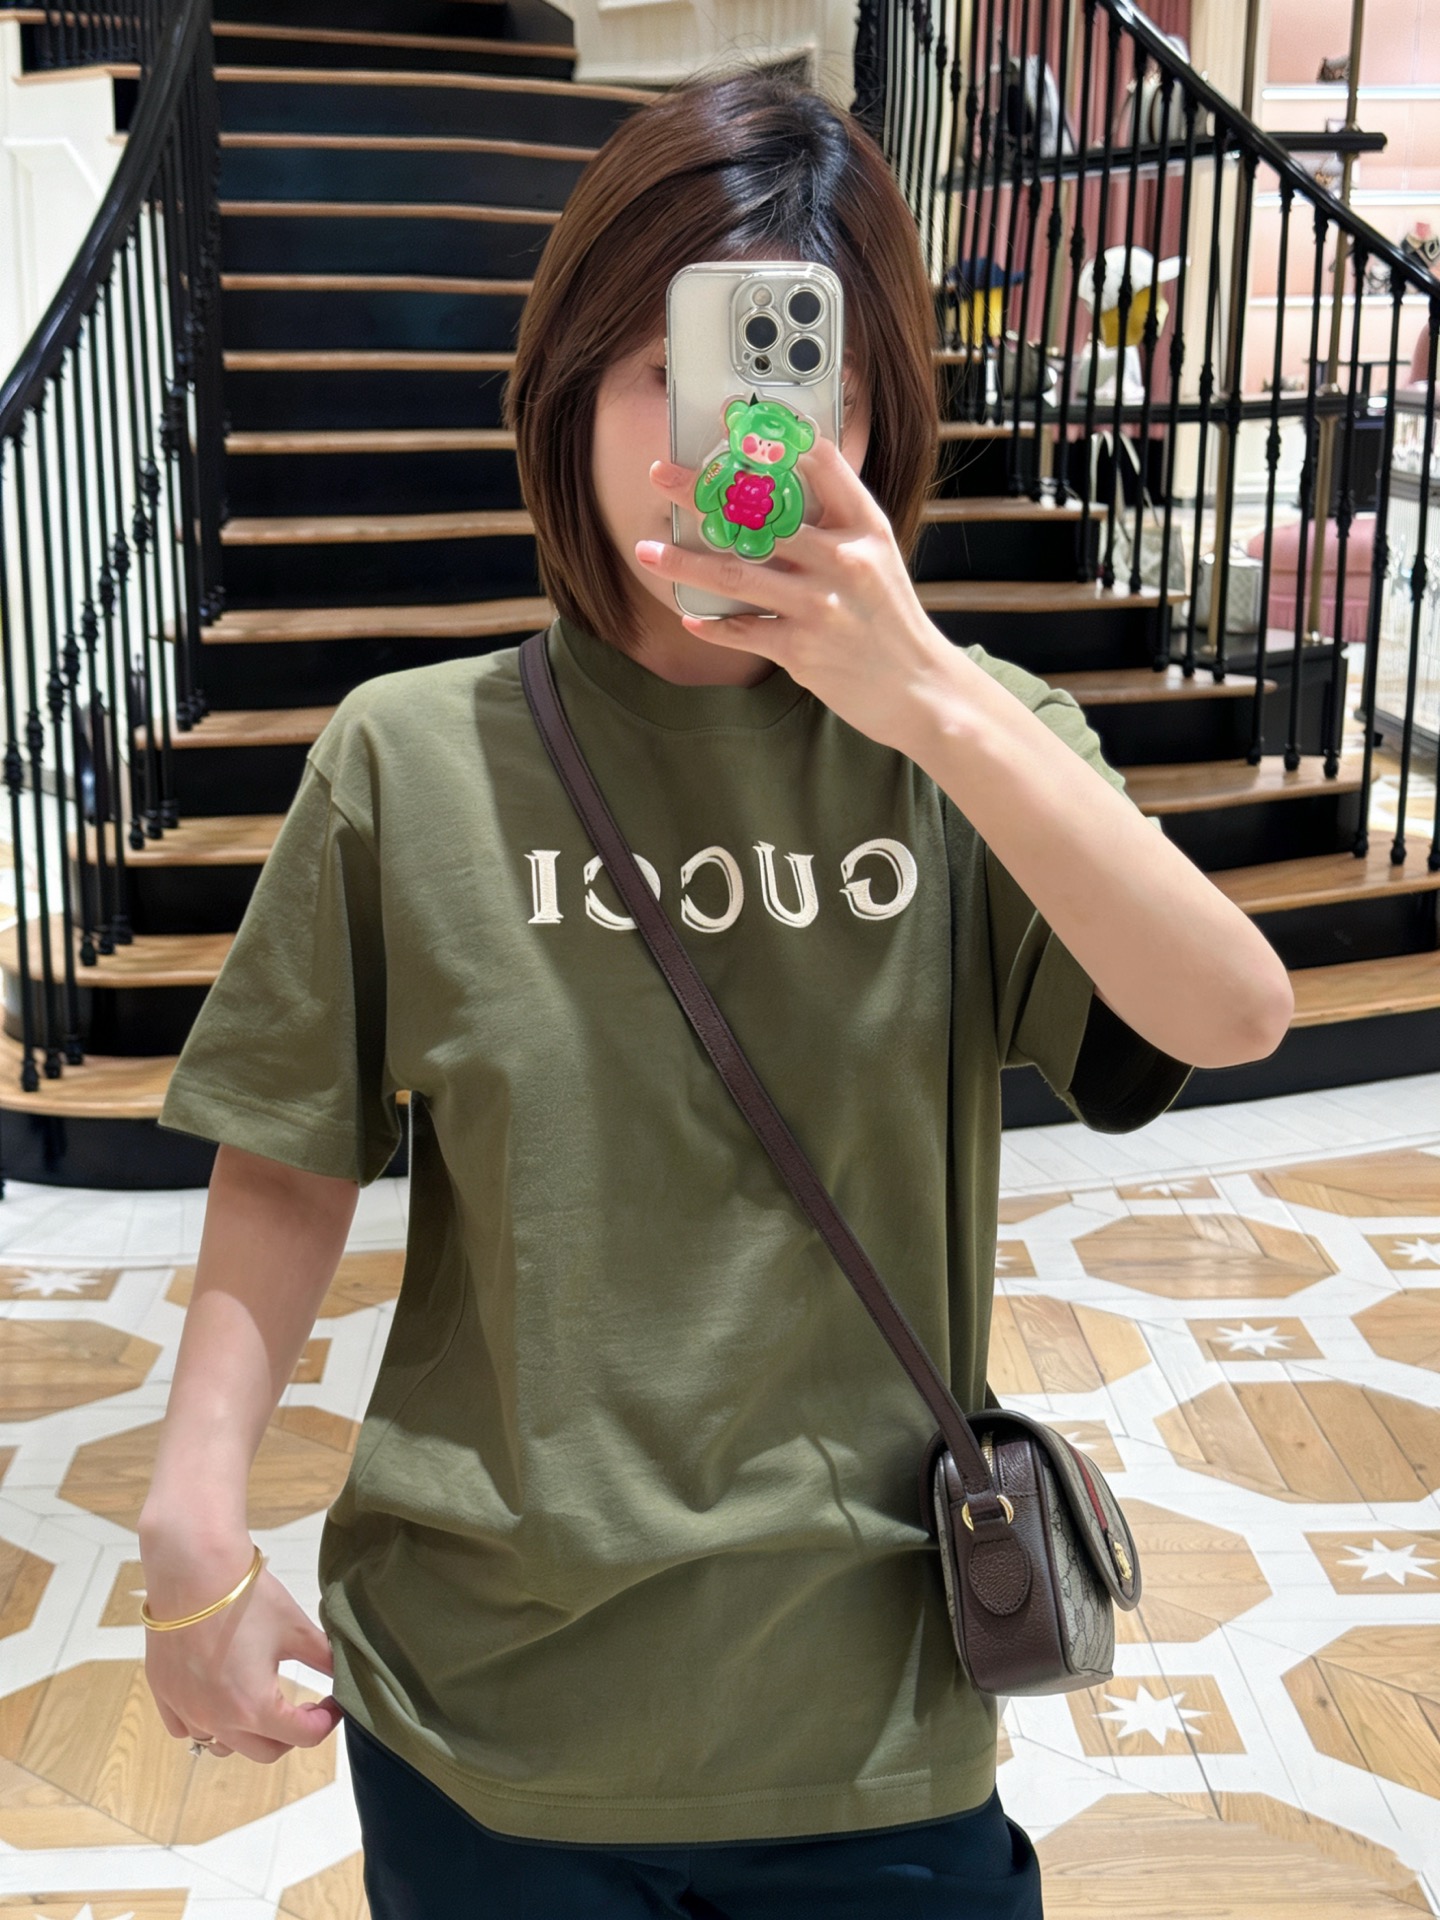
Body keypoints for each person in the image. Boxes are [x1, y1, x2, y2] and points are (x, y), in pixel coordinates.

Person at [138, 65, 1294, 1920]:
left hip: (872, 1709)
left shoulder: (981, 750)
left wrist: (930, 697)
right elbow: (288, 1152)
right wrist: (193, 1508)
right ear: (566, 389)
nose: (729, 441)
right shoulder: (407, 759)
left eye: (802, 384)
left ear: (872, 416)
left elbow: (1231, 1012)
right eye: (662, 373)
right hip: (486, 1704)